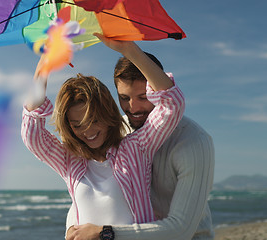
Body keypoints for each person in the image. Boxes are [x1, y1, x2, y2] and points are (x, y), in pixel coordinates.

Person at [22, 35, 185, 236]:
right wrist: (44, 66)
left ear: (108, 113)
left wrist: (130, 51)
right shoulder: (69, 160)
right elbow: (32, 135)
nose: (88, 131)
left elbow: (172, 104)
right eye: (77, 125)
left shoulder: (136, 148)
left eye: (95, 120)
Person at [65, 36, 215, 240]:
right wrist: (73, 229)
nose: (133, 108)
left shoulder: (193, 141)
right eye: (124, 98)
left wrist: (105, 233)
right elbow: (86, 189)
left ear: (155, 91)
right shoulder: (118, 130)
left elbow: (182, 229)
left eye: (143, 97)